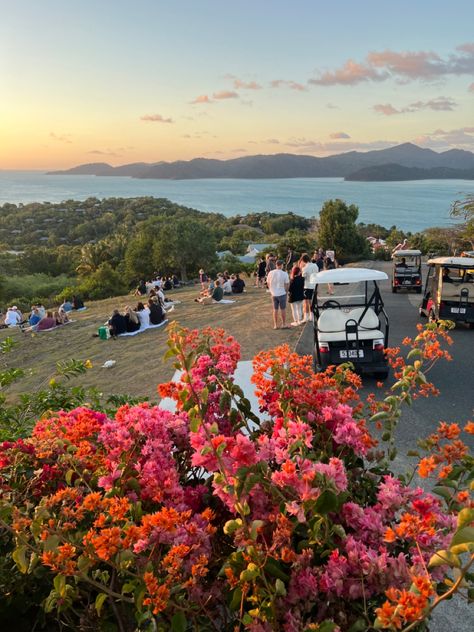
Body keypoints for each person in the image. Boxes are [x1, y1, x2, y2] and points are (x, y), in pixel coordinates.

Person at [266, 260, 290, 329]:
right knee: (283, 309)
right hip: (282, 293)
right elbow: (287, 284)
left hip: (273, 293)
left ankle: (275, 325)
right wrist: (286, 291)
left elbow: (267, 282)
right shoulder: (284, 273)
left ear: (276, 265)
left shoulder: (271, 273)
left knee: (275, 310)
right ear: (281, 265)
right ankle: (283, 324)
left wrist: (271, 289)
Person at [300, 254, 319, 321]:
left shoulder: (305, 268)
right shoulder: (315, 265)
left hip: (307, 286)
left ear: (304, 260)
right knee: (314, 301)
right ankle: (313, 315)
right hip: (314, 285)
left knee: (306, 302)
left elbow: (303, 277)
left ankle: (307, 317)